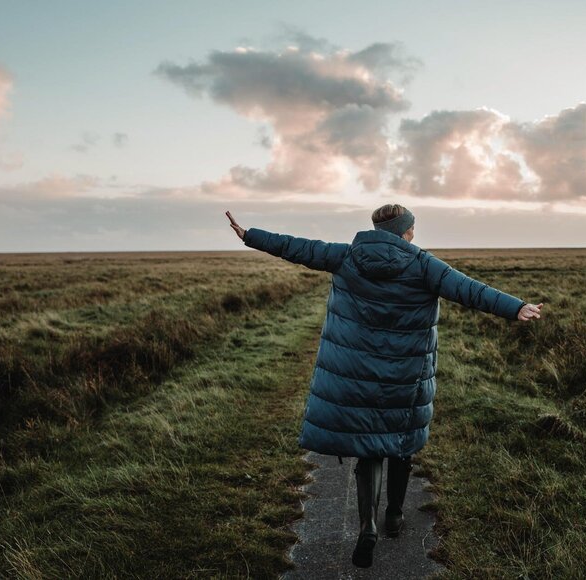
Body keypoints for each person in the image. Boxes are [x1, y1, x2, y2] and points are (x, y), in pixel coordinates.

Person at [225, 204, 543, 569]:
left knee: (369, 448)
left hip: (356, 373)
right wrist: (515, 307)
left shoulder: (346, 256)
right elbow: (468, 289)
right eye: (412, 228)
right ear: (404, 230)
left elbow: (297, 247)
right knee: (401, 442)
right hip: (405, 375)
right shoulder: (424, 264)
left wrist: (250, 235)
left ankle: (368, 526)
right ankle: (393, 514)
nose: (413, 233)